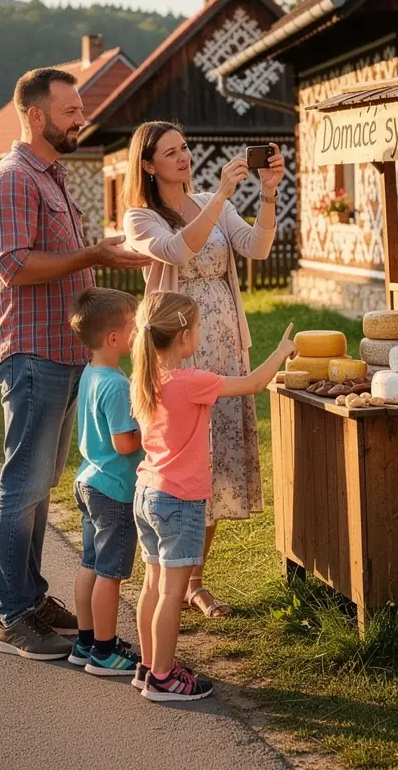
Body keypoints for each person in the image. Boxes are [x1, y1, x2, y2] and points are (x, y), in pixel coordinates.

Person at [0, 65, 151, 661]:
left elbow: (64, 258)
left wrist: (104, 258)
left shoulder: (49, 177)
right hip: (30, 353)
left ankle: (28, 596)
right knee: (22, 483)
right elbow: (16, 266)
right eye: (71, 111)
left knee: (38, 485)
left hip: (59, 351)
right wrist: (93, 252)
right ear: (36, 116)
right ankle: (12, 616)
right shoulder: (11, 180)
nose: (82, 119)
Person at [122, 122, 285, 619]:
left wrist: (269, 196)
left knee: (217, 461)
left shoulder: (219, 201)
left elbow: (255, 248)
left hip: (222, 338)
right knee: (186, 459)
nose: (184, 157)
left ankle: (195, 580)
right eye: (170, 152)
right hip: (177, 348)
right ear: (148, 164)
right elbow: (177, 250)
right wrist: (219, 198)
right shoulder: (139, 216)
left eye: (185, 148)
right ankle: (168, 574)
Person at [129, 291, 296, 700]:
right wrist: (282, 350)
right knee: (171, 592)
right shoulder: (190, 382)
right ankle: (165, 678)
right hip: (179, 502)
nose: (201, 333)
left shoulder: (145, 378)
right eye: (199, 327)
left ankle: (150, 666)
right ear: (184, 336)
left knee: (152, 586)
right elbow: (255, 383)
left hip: (147, 494)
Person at [66, 287, 143, 677]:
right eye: (134, 326)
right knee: (111, 573)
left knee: (91, 564)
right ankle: (104, 652)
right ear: (114, 338)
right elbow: (124, 442)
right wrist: (151, 427)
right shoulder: (115, 385)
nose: (138, 332)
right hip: (113, 490)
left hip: (89, 480)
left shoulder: (93, 373)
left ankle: (85, 641)